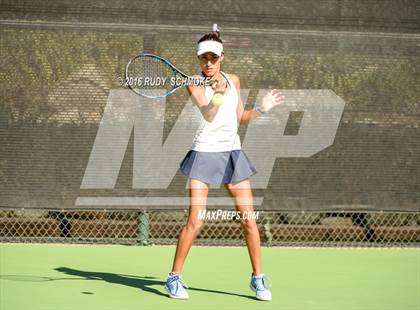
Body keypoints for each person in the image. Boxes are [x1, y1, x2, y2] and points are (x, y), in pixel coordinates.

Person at [164, 24, 284, 301]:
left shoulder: (234, 81)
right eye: (204, 58)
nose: (208, 63)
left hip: (232, 154)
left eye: (213, 58)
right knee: (196, 221)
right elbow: (208, 114)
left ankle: (258, 279)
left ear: (222, 58)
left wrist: (262, 108)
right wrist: (216, 93)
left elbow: (240, 118)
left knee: (249, 220)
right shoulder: (193, 83)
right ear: (198, 59)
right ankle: (173, 278)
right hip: (203, 154)